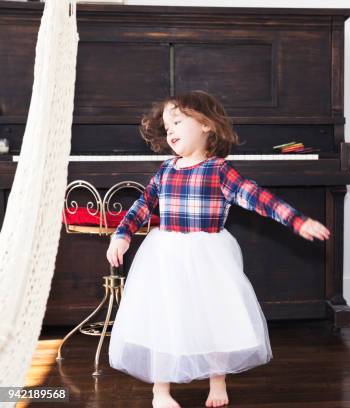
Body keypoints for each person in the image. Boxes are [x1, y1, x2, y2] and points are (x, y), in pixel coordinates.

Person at [105, 90, 330, 408]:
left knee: (216, 317)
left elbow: (258, 198)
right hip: (166, 254)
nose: (170, 130)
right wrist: (122, 234)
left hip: (208, 255)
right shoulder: (166, 170)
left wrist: (296, 221)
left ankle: (217, 381)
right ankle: (161, 390)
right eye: (167, 125)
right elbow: (143, 204)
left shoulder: (220, 170)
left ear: (207, 125)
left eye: (178, 121)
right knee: (164, 317)